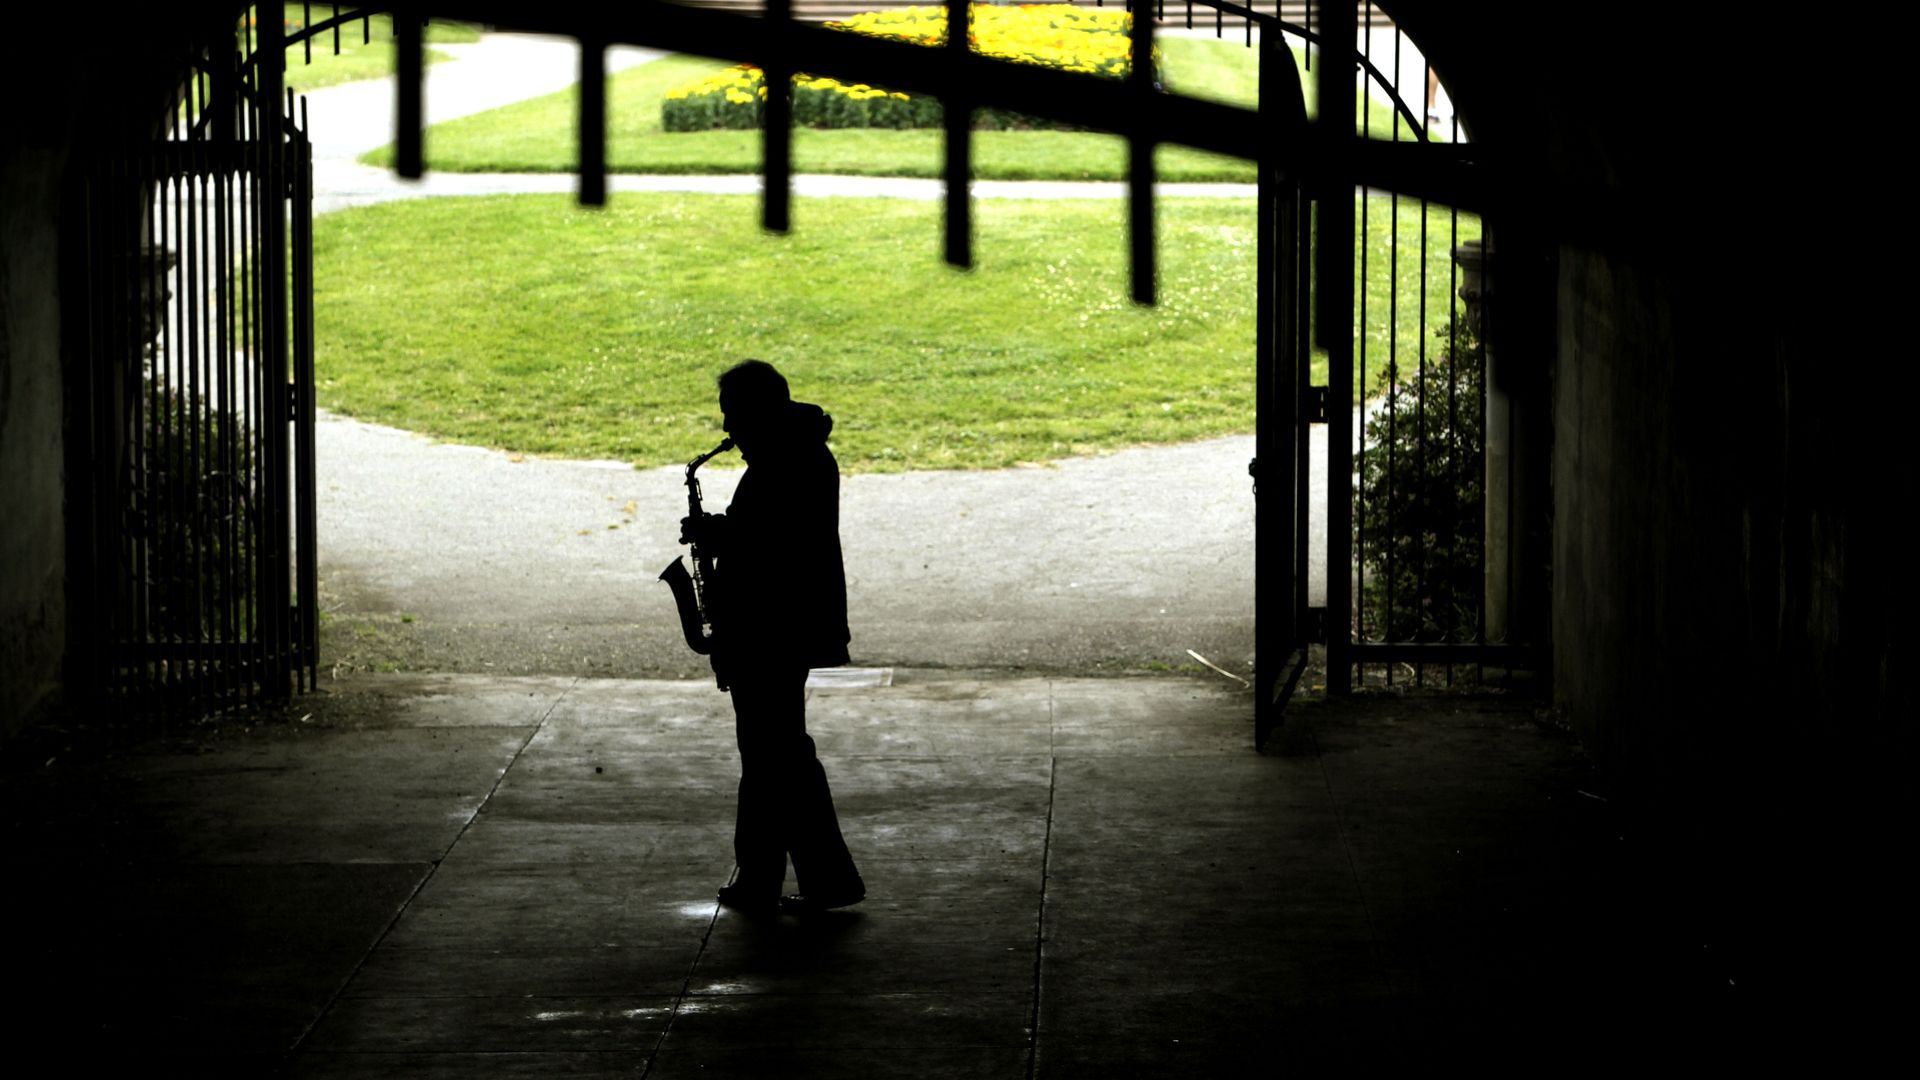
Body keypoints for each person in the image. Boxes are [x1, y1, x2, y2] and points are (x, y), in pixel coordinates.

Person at [678, 360, 865, 914]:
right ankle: (766, 875)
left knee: (777, 754)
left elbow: (779, 544)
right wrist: (724, 535)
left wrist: (719, 533)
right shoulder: (790, 451)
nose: (729, 432)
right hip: (775, 626)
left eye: (734, 416)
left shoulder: (790, 459)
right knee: (771, 754)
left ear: (759, 409)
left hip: (773, 629)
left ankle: (810, 878)